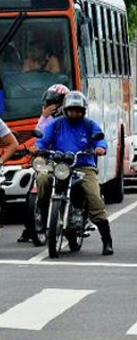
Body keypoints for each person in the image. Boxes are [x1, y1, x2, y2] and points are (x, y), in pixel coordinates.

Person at [30, 91, 114, 255]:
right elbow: (43, 140)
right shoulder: (56, 124)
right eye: (71, 110)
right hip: (57, 164)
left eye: (77, 110)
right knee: (42, 177)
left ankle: (107, 240)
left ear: (83, 111)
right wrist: (37, 147)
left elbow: (100, 140)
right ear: (65, 110)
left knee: (94, 197)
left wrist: (100, 148)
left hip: (83, 166)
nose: (74, 113)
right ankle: (42, 210)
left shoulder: (89, 125)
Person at [18, 83, 70, 243]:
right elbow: (39, 137)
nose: (50, 106)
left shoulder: (72, 118)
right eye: (49, 102)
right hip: (48, 159)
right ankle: (32, 225)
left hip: (65, 161)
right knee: (40, 180)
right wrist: (45, 117)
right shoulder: (46, 119)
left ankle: (75, 220)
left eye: (54, 103)